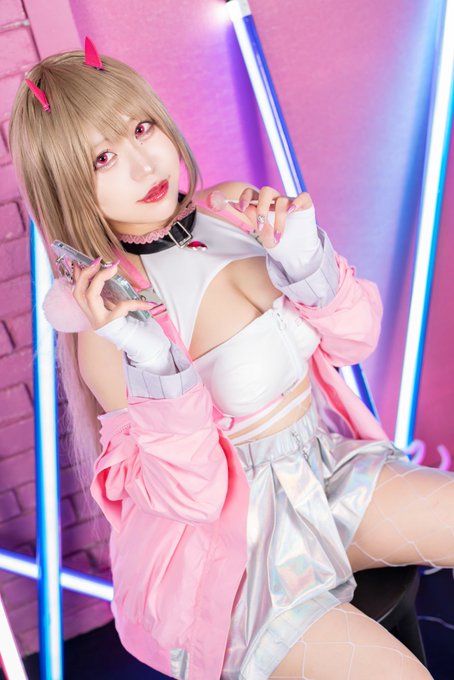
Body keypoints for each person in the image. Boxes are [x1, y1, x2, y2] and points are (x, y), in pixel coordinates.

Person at [8, 38, 453, 680]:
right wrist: (155, 363)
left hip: (320, 472)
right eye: (104, 157)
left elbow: (354, 342)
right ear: (69, 188)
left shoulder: (231, 209)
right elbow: (194, 497)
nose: (143, 164)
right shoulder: (106, 328)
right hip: (235, 556)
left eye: (141, 128)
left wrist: (308, 262)